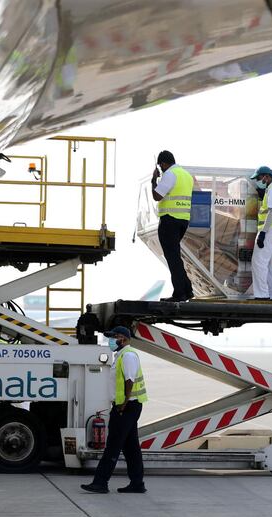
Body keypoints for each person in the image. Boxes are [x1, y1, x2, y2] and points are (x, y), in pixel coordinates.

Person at [81, 326, 148, 494]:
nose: (111, 340)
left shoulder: (128, 356)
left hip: (126, 406)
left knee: (113, 445)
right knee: (131, 446)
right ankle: (137, 483)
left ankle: (100, 482)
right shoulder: (121, 355)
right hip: (128, 406)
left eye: (114, 337)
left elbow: (129, 381)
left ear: (123, 338)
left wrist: (123, 403)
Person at [152, 150, 194, 302]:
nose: (161, 169)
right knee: (175, 257)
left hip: (170, 220)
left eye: (161, 166)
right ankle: (187, 290)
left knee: (172, 258)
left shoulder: (170, 174)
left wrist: (154, 180)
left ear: (163, 163)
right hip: (183, 220)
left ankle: (179, 294)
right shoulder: (186, 175)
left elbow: (157, 196)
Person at [249, 166, 272, 300]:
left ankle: (261, 295)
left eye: (259, 178)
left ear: (266, 176)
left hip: (270, 230)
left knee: (258, 261)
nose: (258, 181)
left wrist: (263, 232)